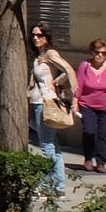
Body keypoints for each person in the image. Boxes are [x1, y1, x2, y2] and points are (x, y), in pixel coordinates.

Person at [29, 23, 75, 193]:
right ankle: (59, 185)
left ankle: (48, 184)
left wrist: (58, 83)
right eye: (33, 35)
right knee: (53, 145)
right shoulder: (39, 55)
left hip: (46, 103)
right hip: (36, 102)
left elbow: (69, 70)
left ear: (47, 37)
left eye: (40, 35)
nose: (35, 38)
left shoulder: (50, 53)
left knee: (46, 144)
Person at [76, 39, 106, 173]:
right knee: (89, 131)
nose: (100, 56)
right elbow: (78, 86)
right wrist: (75, 103)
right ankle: (88, 158)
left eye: (103, 53)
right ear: (92, 52)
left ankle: (101, 161)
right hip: (87, 105)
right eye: (97, 52)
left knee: (103, 134)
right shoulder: (85, 66)